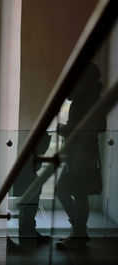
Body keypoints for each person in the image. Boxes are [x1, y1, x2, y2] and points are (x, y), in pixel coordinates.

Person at [55, 62, 106, 250]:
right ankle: (79, 232)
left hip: (81, 154)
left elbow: (85, 127)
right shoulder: (91, 97)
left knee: (65, 189)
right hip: (84, 152)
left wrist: (65, 130)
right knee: (79, 193)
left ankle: (79, 231)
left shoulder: (85, 99)